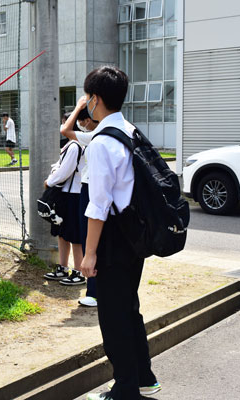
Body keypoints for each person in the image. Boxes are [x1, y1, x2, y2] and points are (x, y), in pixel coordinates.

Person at [75, 67, 160, 400]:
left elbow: (98, 205)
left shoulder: (101, 143)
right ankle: (144, 378)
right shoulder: (130, 130)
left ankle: (125, 387)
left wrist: (90, 253)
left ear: (95, 100)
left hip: (112, 237)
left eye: (87, 99)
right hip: (134, 235)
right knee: (129, 309)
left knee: (112, 317)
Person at [60, 107, 99, 306]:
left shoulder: (94, 135)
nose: (82, 125)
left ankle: (93, 292)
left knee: (88, 241)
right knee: (90, 241)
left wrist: (78, 108)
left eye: (83, 121)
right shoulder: (101, 133)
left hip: (90, 187)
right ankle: (94, 290)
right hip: (89, 187)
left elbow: (65, 130)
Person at [42, 128, 85, 288]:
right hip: (66, 194)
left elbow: (64, 171)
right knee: (62, 233)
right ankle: (63, 267)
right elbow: (59, 166)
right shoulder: (72, 145)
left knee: (74, 235)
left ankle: (78, 271)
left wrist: (50, 181)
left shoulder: (75, 146)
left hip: (73, 195)